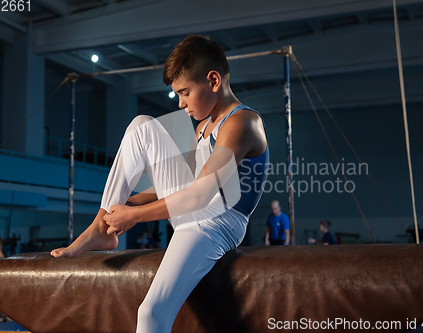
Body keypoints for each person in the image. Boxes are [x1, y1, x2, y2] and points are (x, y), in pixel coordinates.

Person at [50, 35, 269, 333]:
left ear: (213, 80)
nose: (181, 104)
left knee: (151, 313)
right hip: (195, 208)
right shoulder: (203, 125)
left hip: (220, 222)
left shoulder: (242, 123)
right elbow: (188, 185)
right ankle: (102, 227)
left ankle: (104, 227)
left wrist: (134, 216)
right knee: (142, 125)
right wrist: (131, 202)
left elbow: (201, 194)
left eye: (184, 92)